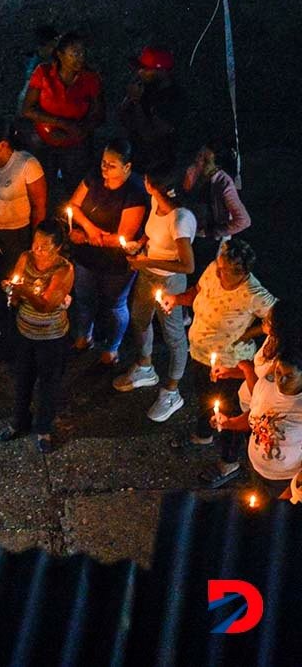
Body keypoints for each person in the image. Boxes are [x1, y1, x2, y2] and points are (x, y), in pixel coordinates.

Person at [160, 240, 275, 481]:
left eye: (224, 269)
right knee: (204, 398)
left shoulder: (253, 294)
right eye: (218, 265)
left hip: (231, 365)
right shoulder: (215, 268)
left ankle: (229, 463)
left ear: (241, 273)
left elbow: (279, 321)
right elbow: (198, 292)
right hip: (200, 354)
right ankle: (204, 435)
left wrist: (247, 334)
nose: (217, 270)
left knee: (230, 413)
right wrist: (176, 299)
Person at [113, 169, 196, 422]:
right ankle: (145, 366)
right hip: (147, 273)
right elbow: (152, 229)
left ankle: (172, 390)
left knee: (173, 336)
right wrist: (140, 243)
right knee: (140, 318)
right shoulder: (156, 201)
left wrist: (146, 261)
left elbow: (187, 265)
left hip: (170, 281)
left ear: (150, 185)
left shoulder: (180, 220)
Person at [66, 139, 148, 365]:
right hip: (87, 256)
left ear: (127, 167)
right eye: (103, 162)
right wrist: (91, 229)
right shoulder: (94, 177)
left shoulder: (134, 193)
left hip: (116, 263)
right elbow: (73, 205)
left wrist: (86, 237)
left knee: (115, 305)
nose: (104, 168)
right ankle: (84, 336)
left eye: (111, 165)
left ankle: (111, 347)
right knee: (83, 299)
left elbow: (124, 237)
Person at [0, 219, 74, 452]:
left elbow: (46, 305)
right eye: (35, 242)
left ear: (57, 247)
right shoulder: (26, 258)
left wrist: (23, 291)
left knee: (48, 384)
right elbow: (16, 285)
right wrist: (12, 291)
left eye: (44, 245)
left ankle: (43, 428)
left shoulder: (64, 270)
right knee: (22, 379)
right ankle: (18, 421)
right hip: (25, 333)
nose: (37, 248)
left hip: (51, 338)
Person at [22, 32, 104, 202]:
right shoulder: (43, 73)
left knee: (76, 187)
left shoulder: (90, 78)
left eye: (82, 53)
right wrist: (63, 124)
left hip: (76, 143)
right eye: (74, 53)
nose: (80, 58)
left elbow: (99, 114)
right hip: (45, 139)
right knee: (43, 185)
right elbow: (28, 109)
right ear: (60, 55)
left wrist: (79, 131)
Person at [213, 343, 302, 500]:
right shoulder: (267, 384)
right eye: (279, 372)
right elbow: (256, 416)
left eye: (289, 376)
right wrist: (229, 423)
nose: (281, 379)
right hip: (256, 468)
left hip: (285, 481)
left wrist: (294, 491)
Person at [0, 117, 47, 278]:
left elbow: (39, 206)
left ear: (3, 144)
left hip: (14, 236)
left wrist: (36, 239)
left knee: (8, 277)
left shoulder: (27, 165)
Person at [184, 139, 251, 271]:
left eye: (206, 161)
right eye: (199, 156)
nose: (199, 161)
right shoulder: (193, 171)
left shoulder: (224, 184)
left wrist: (213, 231)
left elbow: (243, 221)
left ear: (217, 165)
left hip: (208, 240)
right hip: (189, 230)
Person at [118, 45, 182, 174]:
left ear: (161, 72)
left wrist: (136, 102)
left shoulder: (173, 100)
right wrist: (129, 99)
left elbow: (150, 135)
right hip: (135, 158)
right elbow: (124, 119)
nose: (139, 72)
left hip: (157, 167)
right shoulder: (145, 87)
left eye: (145, 69)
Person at [15, 25, 59, 114]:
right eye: (52, 46)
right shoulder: (33, 65)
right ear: (40, 46)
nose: (55, 49)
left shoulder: (54, 62)